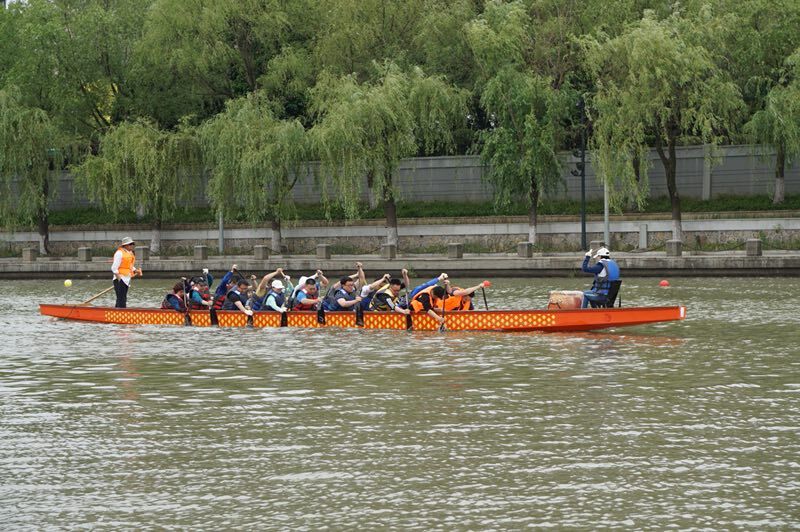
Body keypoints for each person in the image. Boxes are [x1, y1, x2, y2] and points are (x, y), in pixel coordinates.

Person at [111, 237, 142, 308]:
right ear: (125, 245)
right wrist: (119, 278)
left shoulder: (129, 253)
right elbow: (114, 268)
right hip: (120, 278)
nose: (132, 245)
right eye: (130, 244)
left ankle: (117, 312)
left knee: (122, 298)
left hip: (127, 279)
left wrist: (135, 270)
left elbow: (129, 265)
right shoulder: (119, 253)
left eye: (132, 244)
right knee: (121, 299)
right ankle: (121, 313)